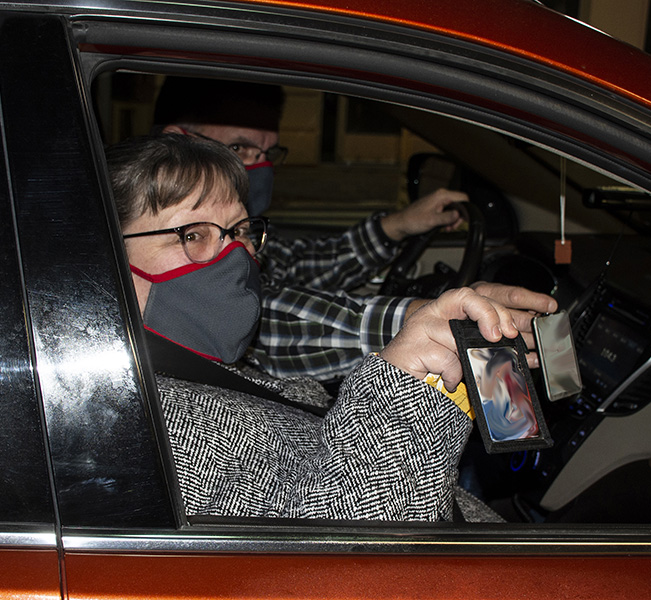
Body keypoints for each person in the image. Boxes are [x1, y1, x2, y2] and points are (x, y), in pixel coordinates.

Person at [108, 133, 534, 521]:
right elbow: (357, 560)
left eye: (240, 230)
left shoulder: (210, 370)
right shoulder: (140, 422)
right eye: (193, 234)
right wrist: (406, 388)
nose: (235, 254)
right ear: (105, 255)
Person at [151, 77, 557, 381]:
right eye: (240, 149)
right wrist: (424, 319)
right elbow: (258, 322)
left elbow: (292, 266)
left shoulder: (244, 236)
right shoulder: (146, 242)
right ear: (179, 145)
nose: (258, 167)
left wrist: (395, 227)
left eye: (268, 152)